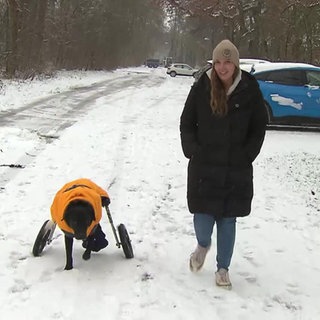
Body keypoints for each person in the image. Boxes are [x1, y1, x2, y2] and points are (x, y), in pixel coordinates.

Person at [180, 39, 267, 288]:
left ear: (236, 63)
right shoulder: (202, 86)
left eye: (227, 62)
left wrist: (247, 154)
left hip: (235, 168)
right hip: (204, 166)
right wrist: (193, 150)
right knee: (203, 219)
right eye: (218, 61)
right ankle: (203, 245)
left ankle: (222, 268)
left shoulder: (249, 88)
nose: (222, 67)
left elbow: (259, 126)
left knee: (228, 221)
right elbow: (187, 122)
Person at [51, 178, 110, 252]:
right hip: (68, 196)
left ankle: (97, 240)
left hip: (87, 197)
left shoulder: (88, 185)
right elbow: (55, 208)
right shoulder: (61, 200)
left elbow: (98, 190)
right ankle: (94, 240)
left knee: (94, 230)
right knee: (91, 227)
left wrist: (104, 197)